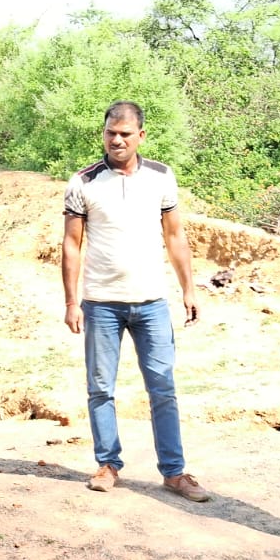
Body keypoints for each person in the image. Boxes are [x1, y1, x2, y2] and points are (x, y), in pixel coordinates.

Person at [61, 101, 209, 502]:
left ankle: (175, 473)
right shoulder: (84, 182)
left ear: (141, 135)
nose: (117, 140)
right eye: (111, 132)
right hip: (101, 303)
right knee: (100, 388)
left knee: (163, 387)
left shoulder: (161, 177)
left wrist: (188, 289)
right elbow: (72, 245)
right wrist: (72, 301)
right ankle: (108, 464)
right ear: (104, 133)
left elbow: (175, 236)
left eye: (126, 133)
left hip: (151, 303)